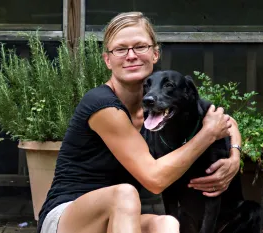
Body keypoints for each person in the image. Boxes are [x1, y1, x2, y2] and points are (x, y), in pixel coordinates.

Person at [37, 11, 242, 233]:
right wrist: (207, 134)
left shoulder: (158, 108)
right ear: (108, 59)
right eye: (121, 49)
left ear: (155, 54)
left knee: (168, 224)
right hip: (67, 218)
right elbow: (155, 180)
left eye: (140, 46)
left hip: (119, 220)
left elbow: (224, 120)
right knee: (124, 194)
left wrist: (234, 158)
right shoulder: (102, 104)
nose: (131, 55)